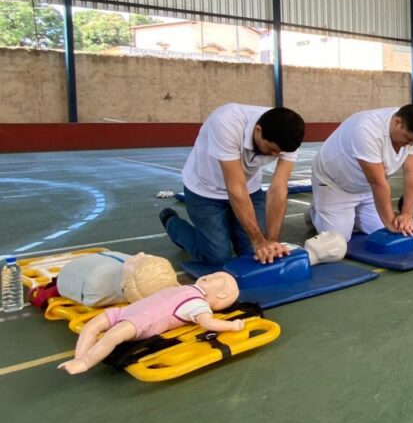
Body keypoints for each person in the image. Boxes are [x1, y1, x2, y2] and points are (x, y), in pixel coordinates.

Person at [159, 104, 305, 266]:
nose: (274, 155)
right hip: (205, 191)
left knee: (251, 254)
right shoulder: (226, 123)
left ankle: (232, 230)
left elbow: (278, 189)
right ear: (258, 130)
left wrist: (270, 242)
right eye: (271, 150)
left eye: (279, 153)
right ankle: (171, 221)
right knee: (217, 257)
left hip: (250, 189)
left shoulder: (288, 137)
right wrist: (258, 240)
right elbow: (236, 188)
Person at [59, 273, 243, 375]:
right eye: (212, 273)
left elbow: (208, 323)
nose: (210, 276)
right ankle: (79, 356)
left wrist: (232, 326)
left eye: (219, 279)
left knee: (112, 336)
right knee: (92, 326)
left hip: (143, 321)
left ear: (222, 295)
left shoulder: (199, 304)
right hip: (128, 311)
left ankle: (85, 363)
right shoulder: (189, 288)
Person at [310, 105, 413, 240]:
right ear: (397, 122)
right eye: (408, 139)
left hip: (366, 188)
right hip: (335, 184)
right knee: (339, 239)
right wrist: (390, 224)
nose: (410, 144)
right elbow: (378, 182)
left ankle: (346, 215)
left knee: (380, 230)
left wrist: (407, 215)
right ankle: (317, 210)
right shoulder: (366, 130)